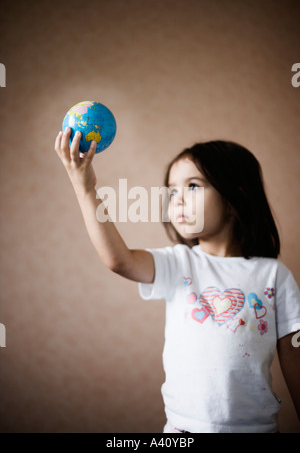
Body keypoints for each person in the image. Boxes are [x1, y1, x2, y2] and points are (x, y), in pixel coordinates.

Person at [55, 129, 300, 433]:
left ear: (235, 193)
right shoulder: (179, 264)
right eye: (172, 191)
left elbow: (294, 355)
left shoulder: (274, 276)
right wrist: (85, 187)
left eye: (193, 186)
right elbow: (119, 260)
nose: (178, 199)